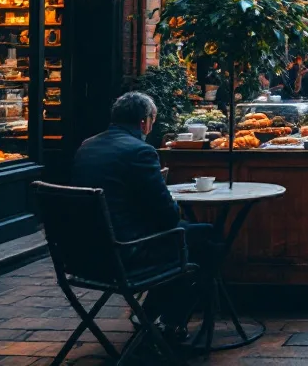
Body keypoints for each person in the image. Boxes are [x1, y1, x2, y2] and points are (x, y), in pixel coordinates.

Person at [72, 92, 214, 338]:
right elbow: (168, 217)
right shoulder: (141, 152)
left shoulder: (87, 146)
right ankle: (169, 322)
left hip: (81, 255)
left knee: (189, 238)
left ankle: (151, 315)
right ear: (144, 122)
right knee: (206, 238)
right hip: (125, 253)